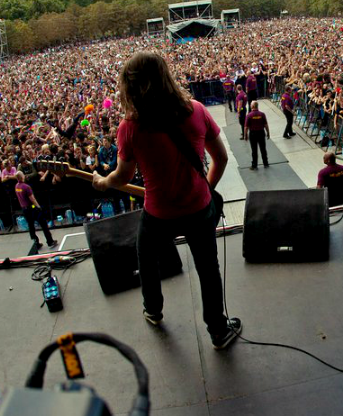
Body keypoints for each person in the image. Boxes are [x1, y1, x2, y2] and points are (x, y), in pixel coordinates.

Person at [92, 52, 241, 350]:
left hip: (158, 213)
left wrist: (102, 181)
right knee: (208, 269)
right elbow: (221, 158)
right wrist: (206, 189)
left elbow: (122, 176)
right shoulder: (196, 111)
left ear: (130, 87)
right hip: (199, 208)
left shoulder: (130, 128)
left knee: (146, 257)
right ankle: (218, 330)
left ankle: (153, 310)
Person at [15, 172, 58, 249]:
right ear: (22, 177)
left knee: (31, 227)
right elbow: (32, 199)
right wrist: (38, 207)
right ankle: (50, 241)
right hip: (31, 208)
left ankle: (35, 244)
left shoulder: (17, 186)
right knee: (43, 224)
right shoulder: (26, 187)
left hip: (24, 209)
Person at [246, 100, 270, 170]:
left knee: (254, 150)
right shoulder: (262, 114)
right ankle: (265, 163)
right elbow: (266, 125)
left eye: (250, 104)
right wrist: (268, 133)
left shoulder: (249, 115)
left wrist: (245, 135)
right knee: (263, 149)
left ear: (252, 106)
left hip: (253, 134)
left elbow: (246, 127)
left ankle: (254, 165)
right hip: (261, 133)